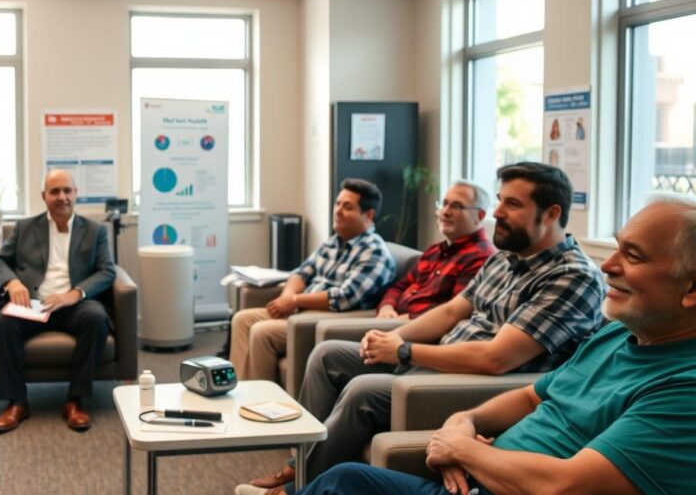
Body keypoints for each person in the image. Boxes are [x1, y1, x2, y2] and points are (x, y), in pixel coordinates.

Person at [240, 162, 606, 494]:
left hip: (474, 380)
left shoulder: (571, 276)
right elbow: (449, 313)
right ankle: (301, 468)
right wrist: (396, 336)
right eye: (499, 201)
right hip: (439, 357)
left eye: (512, 204)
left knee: (363, 390)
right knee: (329, 354)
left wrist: (403, 351)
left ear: (552, 212)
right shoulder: (505, 260)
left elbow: (497, 358)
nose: (497, 213)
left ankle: (292, 488)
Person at [296, 196, 696, 495]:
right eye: (616, 246)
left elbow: (567, 485)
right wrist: (465, 421)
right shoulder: (615, 333)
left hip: (496, 476)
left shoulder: (683, 388)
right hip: (475, 480)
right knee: (343, 480)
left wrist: (464, 450)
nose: (608, 265)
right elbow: (531, 396)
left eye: (634, 256)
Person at [0, 169, 116, 434]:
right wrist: (13, 282)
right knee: (4, 322)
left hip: (73, 305)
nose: (62, 197)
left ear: (76, 194)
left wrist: (75, 294)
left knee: (97, 317)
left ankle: (75, 401)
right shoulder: (24, 228)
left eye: (67, 190)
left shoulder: (95, 231)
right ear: (44, 196)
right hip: (34, 304)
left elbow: (107, 271)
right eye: (55, 191)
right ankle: (17, 402)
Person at [229, 179, 396, 381]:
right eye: (338, 204)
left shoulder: (374, 252)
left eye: (348, 207)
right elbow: (302, 272)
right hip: (300, 310)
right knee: (242, 319)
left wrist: (295, 301)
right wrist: (288, 295)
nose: (338, 211)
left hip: (325, 317)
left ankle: (260, 401)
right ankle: (238, 389)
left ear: (368, 215)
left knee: (261, 332)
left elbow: (345, 297)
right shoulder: (334, 242)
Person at [376, 180, 496, 321]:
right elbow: (399, 286)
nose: (445, 212)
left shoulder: (481, 257)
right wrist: (387, 307)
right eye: (444, 204)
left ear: (480, 216)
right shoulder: (434, 251)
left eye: (457, 206)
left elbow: (453, 312)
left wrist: (404, 319)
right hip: (392, 320)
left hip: (419, 329)